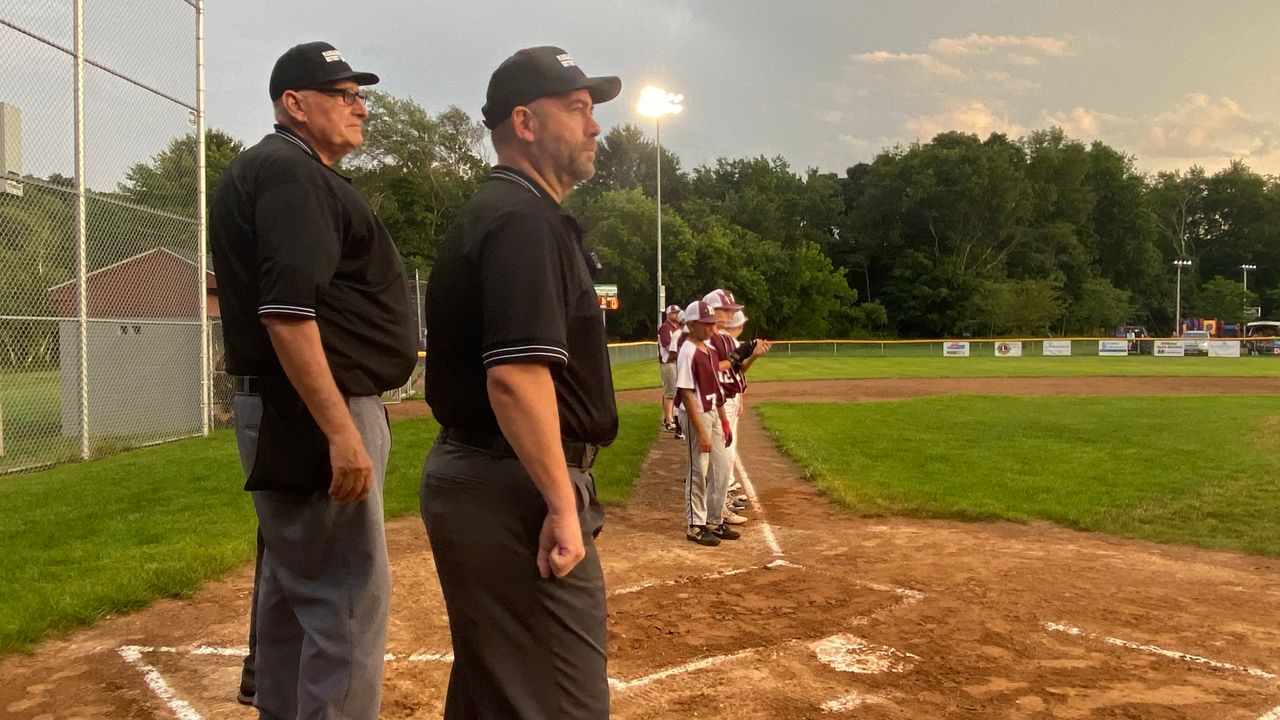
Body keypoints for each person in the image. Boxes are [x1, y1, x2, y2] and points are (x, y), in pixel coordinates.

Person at [209, 41, 416, 719]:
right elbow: (288, 313)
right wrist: (341, 432)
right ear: (294, 104)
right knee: (347, 602)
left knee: (293, 598)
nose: (361, 107)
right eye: (343, 94)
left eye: (362, 95)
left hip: (284, 408)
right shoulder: (292, 173)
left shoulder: (273, 170)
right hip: (314, 411)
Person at [420, 45, 621, 719]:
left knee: (494, 693)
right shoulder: (522, 221)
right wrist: (561, 504)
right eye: (578, 109)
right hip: (515, 487)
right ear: (526, 123)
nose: (595, 127)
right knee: (561, 704)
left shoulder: (508, 211)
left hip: (488, 476)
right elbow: (514, 378)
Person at [675, 299, 738, 546]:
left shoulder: (711, 350)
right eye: (706, 324)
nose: (712, 329)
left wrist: (724, 421)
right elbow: (687, 393)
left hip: (713, 411)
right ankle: (696, 525)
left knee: (722, 467)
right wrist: (701, 432)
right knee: (699, 470)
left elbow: (716, 388)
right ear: (691, 324)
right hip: (696, 414)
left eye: (712, 323)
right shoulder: (687, 351)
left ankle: (714, 518)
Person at [657, 304, 682, 433]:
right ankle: (669, 421)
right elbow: (668, 346)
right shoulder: (665, 328)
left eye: (677, 312)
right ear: (668, 315)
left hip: (674, 362)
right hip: (668, 362)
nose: (676, 315)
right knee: (671, 393)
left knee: (669, 392)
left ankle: (666, 418)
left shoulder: (676, 328)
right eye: (674, 313)